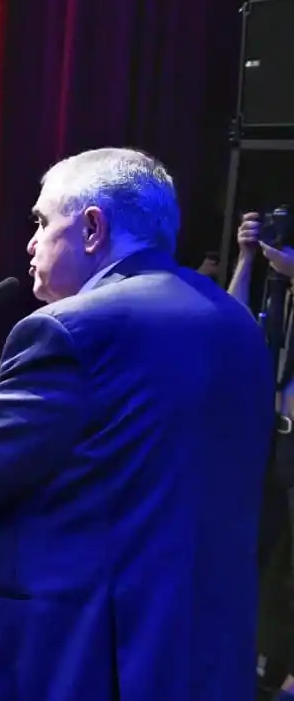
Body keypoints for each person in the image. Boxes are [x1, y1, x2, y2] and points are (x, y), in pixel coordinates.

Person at [0, 148, 271, 701]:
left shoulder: (71, 330)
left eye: (42, 222)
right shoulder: (234, 321)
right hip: (204, 647)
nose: (30, 242)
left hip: (86, 655)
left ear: (93, 227)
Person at [232, 214, 294, 700]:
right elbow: (231, 321)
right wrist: (247, 258)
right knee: (256, 550)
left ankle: (278, 670)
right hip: (264, 438)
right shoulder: (276, 295)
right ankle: (254, 663)